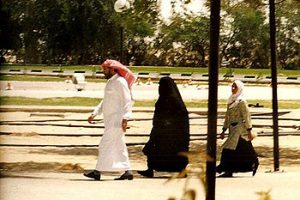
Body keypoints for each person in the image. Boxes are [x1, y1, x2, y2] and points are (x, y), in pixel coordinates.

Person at [84, 59, 136, 181]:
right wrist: (95, 113)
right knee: (119, 146)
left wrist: (126, 118)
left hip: (116, 121)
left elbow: (128, 100)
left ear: (112, 69)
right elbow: (105, 101)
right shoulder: (111, 82)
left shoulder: (120, 81)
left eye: (105, 69)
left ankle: (97, 172)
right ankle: (127, 171)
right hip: (110, 120)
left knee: (104, 145)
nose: (103, 72)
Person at [138, 77, 190, 178]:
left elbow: (181, 117)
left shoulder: (174, 101)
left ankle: (181, 170)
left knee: (168, 151)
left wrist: (168, 123)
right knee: (154, 148)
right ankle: (150, 169)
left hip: (170, 133)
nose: (159, 88)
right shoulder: (165, 99)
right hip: (162, 131)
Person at [216, 80, 259, 177]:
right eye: (232, 86)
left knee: (228, 149)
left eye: (235, 87)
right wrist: (224, 130)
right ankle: (253, 161)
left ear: (239, 88)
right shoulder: (231, 100)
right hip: (232, 129)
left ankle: (227, 170)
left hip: (239, 129)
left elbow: (246, 116)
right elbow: (227, 116)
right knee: (243, 149)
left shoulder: (241, 101)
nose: (233, 89)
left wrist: (249, 130)